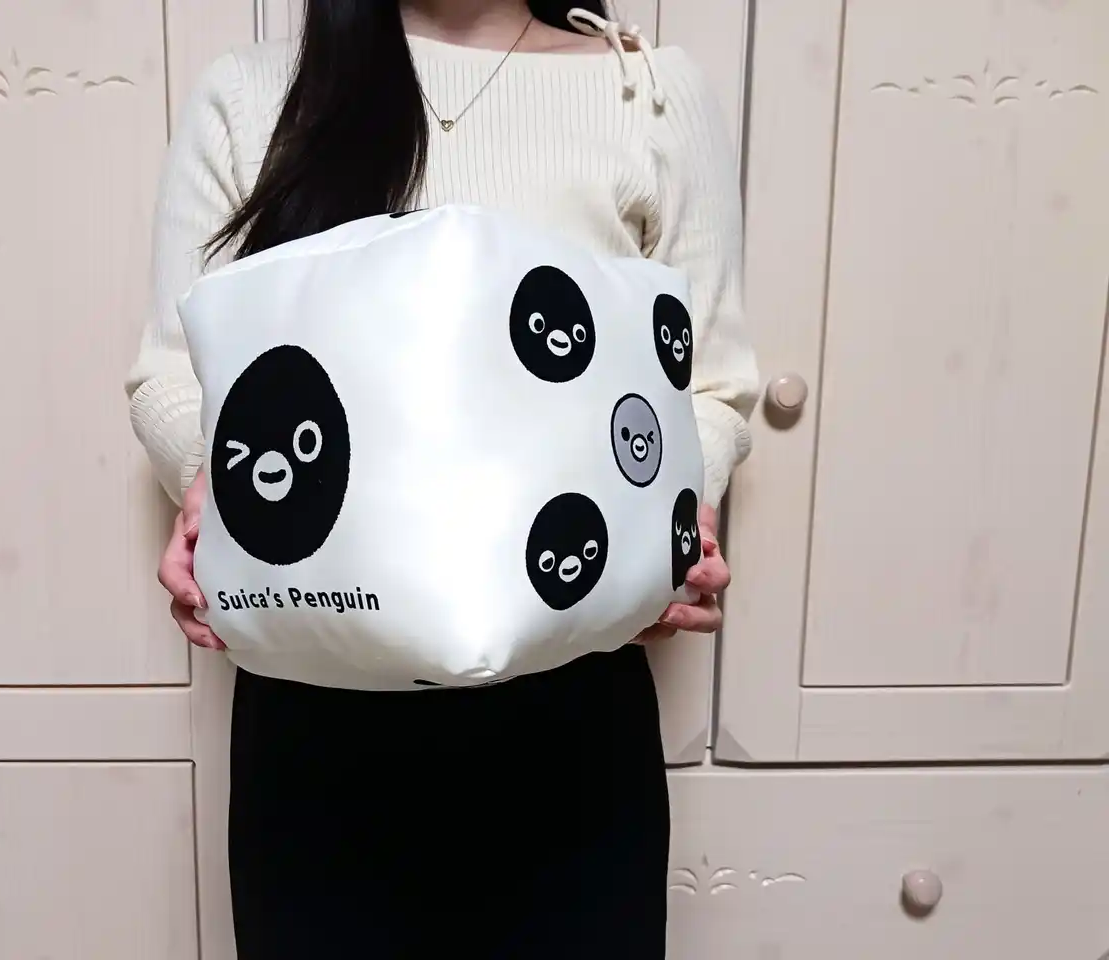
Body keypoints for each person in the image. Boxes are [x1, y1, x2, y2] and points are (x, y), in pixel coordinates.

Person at [127, 1, 759, 956]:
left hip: (572, 706)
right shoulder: (251, 94)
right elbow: (173, 372)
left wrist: (669, 528)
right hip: (317, 703)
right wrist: (212, 488)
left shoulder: (650, 93)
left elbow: (709, 379)